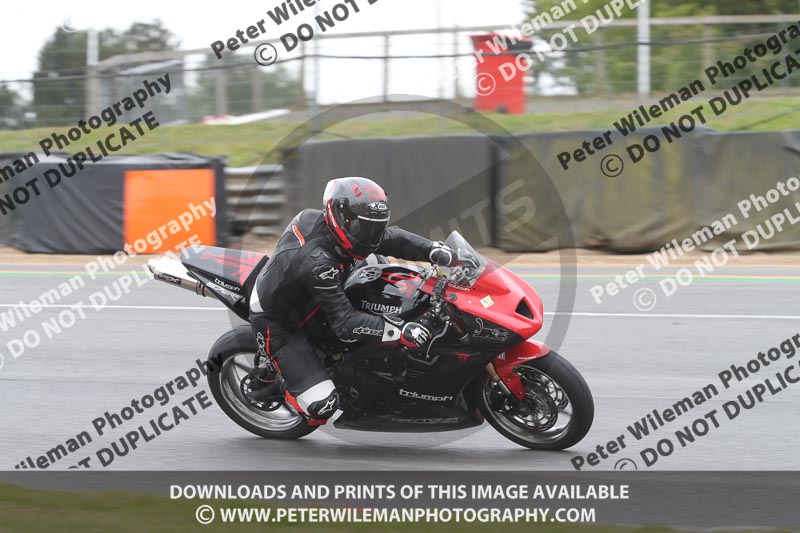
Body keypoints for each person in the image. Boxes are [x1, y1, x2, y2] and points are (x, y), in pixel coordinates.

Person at [248, 177, 456, 425]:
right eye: (362, 227)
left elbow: (390, 237)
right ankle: (278, 378)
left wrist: (433, 249)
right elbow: (345, 324)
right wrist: (400, 330)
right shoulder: (317, 262)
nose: (371, 235)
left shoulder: (340, 231)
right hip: (282, 322)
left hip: (318, 291)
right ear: (338, 218)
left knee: (385, 272)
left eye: (375, 227)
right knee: (321, 407)